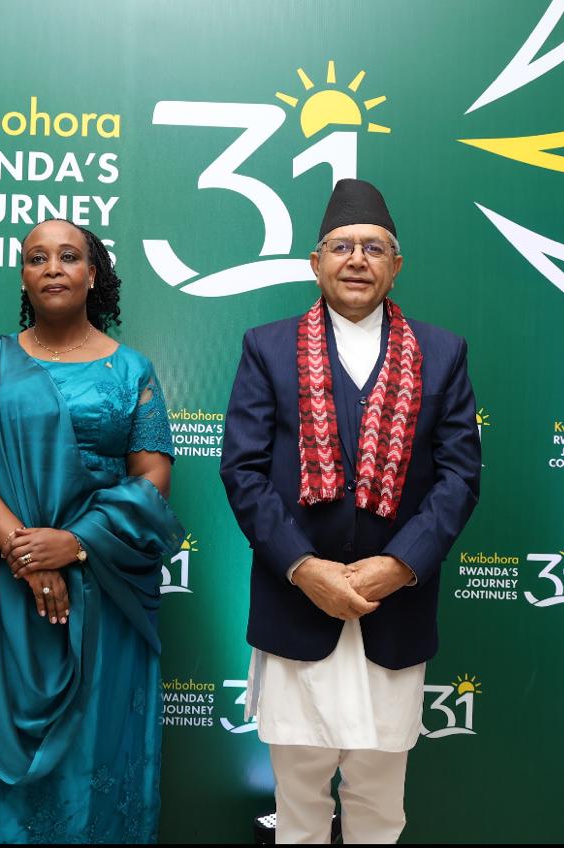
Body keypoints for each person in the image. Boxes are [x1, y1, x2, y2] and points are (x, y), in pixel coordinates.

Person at [0, 219, 182, 843]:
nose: (52, 267)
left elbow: (153, 478)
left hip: (99, 594)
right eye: (37, 258)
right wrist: (24, 550)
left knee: (91, 760)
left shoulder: (133, 371)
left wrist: (74, 544)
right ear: (24, 276)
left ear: (93, 274)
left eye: (69, 256)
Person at [220, 179, 482, 844]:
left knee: (378, 805)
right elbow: (244, 473)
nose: (357, 259)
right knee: (299, 808)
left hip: (394, 613)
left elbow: (459, 477)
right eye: (342, 246)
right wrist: (303, 568)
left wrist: (399, 565)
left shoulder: (442, 353)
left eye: (374, 247)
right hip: (296, 607)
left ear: (397, 266)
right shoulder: (267, 347)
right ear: (316, 263)